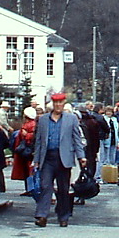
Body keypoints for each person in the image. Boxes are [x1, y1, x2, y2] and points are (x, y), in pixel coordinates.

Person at [32, 92, 87, 227]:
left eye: (60, 102)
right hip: (48, 158)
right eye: (56, 103)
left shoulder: (71, 119)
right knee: (45, 186)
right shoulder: (43, 120)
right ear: (53, 104)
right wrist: (36, 160)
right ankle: (42, 215)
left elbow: (77, 139)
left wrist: (81, 156)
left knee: (63, 188)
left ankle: (63, 216)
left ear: (64, 104)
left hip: (64, 158)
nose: (58, 105)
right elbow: (38, 141)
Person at [10, 106, 38, 185]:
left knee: (28, 170)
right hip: (29, 150)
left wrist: (26, 135)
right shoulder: (33, 124)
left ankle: (30, 187)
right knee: (29, 170)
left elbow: (31, 136)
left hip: (27, 150)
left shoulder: (28, 125)